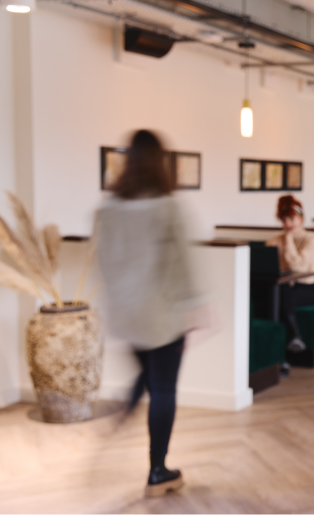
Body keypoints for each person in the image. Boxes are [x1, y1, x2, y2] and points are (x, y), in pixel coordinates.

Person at [94, 129, 207, 498]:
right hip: (162, 314)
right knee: (163, 388)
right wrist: (196, 306)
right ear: (161, 162)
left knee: (147, 375)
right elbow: (182, 265)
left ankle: (124, 409)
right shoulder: (166, 206)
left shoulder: (107, 208)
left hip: (126, 314)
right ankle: (157, 470)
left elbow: (104, 261)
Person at [266, 195, 314, 352]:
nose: (288, 224)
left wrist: (288, 240)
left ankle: (293, 338)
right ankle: (291, 341)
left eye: (291, 219)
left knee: (283, 295)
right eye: (284, 220)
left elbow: (298, 266)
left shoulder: (310, 240)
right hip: (282, 287)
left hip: (306, 289)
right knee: (278, 294)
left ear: (301, 219)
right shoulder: (274, 240)